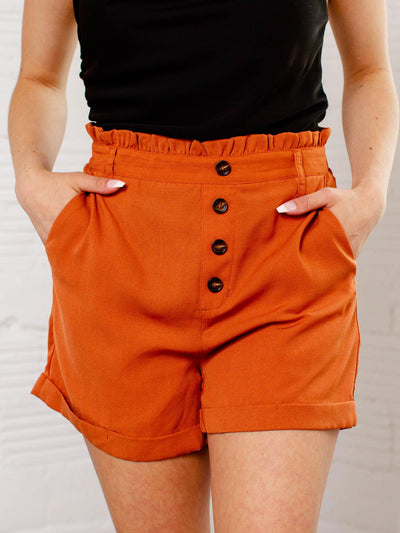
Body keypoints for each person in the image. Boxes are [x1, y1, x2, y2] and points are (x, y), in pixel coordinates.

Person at [8, 0, 399, 531]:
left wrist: (372, 193)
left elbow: (370, 68)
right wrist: (31, 178)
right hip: (123, 257)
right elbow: (38, 77)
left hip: (284, 253)